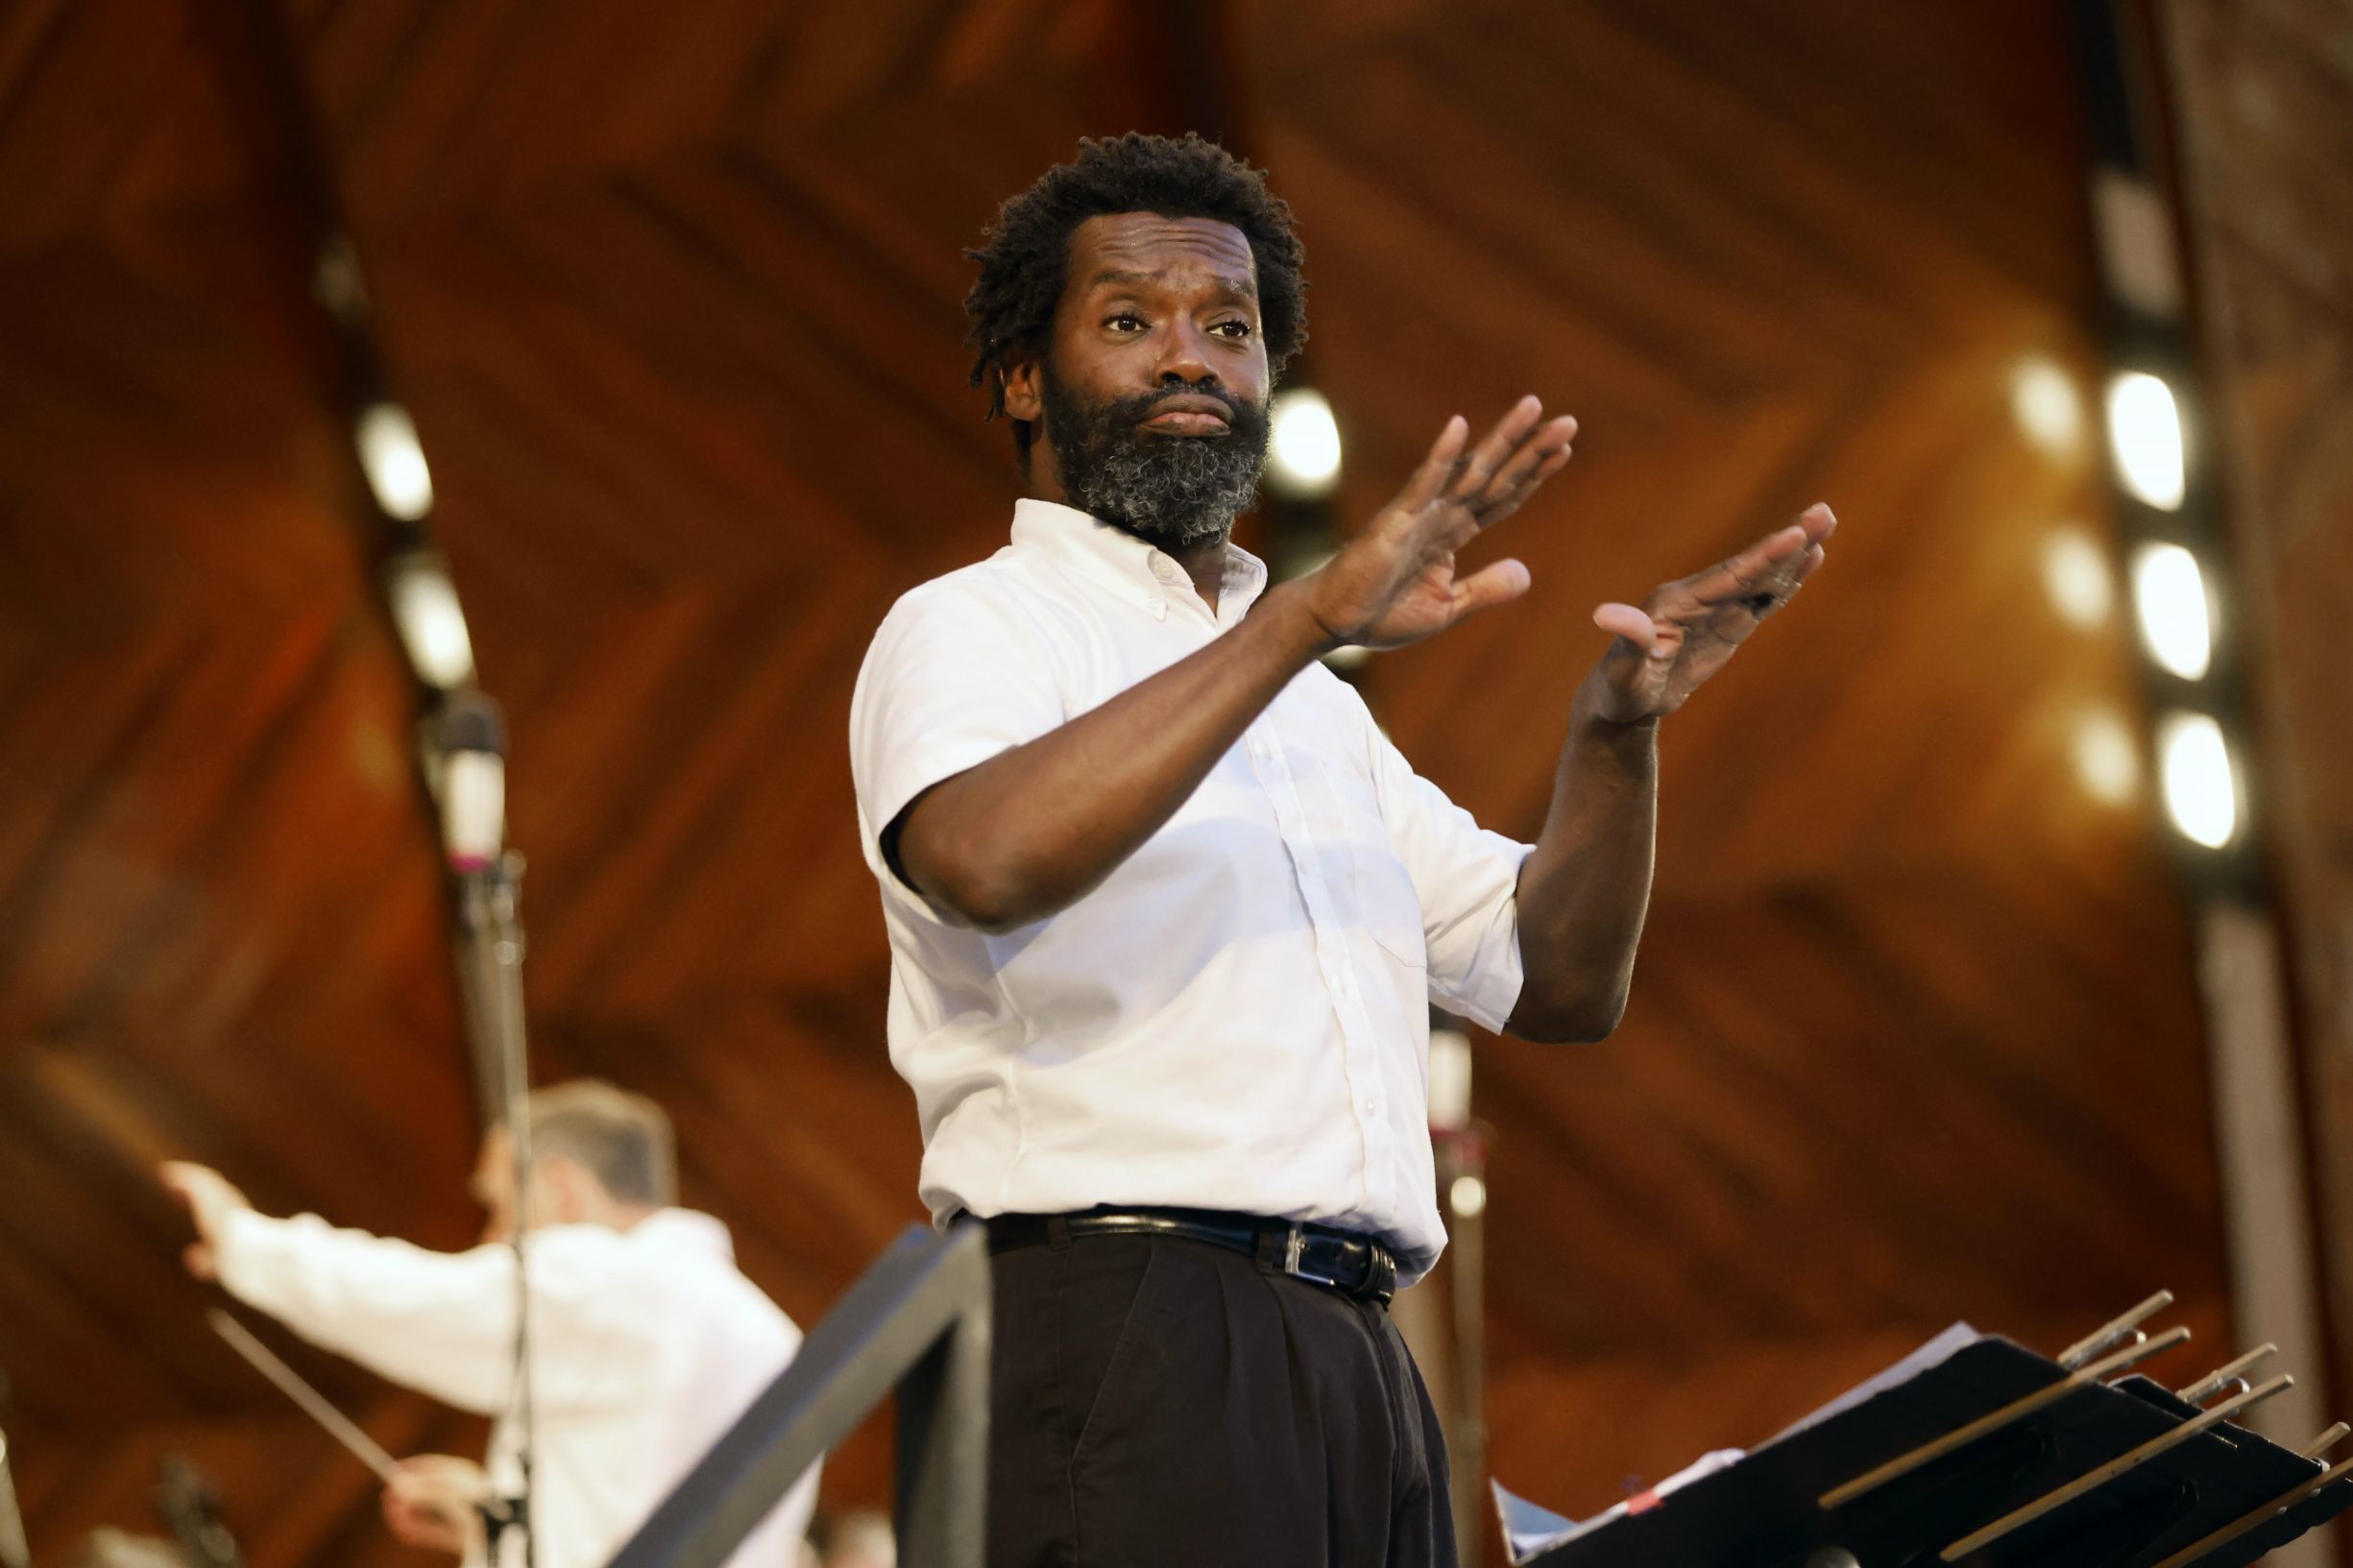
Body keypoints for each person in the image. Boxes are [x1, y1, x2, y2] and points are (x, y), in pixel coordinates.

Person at [848, 133, 1833, 1567]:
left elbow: (1552, 979)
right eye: (1130, 320)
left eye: (1230, 329)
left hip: (1357, 1358)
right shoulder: (974, 623)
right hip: (1123, 1333)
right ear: (1021, 377)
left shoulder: (1308, 707)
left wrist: (1616, 738)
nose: (1190, 358)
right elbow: (983, 858)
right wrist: (1302, 619)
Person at [159, 1080, 818, 1568]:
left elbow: (414, 1301)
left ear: (563, 1188)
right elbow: (631, 1514)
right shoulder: (769, 1331)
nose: (491, 1241)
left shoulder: (615, 1280)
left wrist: (243, 1239)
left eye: (501, 1207)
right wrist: (488, 1521)